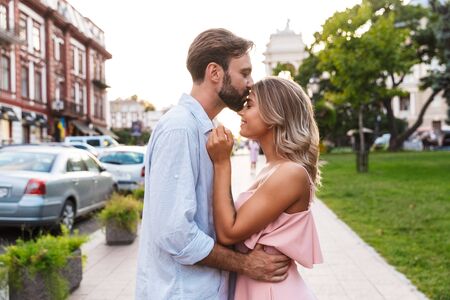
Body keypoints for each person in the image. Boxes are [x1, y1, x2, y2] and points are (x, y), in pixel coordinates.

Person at [135, 29, 291, 300]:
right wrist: (245, 264)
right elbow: (175, 234)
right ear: (215, 73)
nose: (251, 83)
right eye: (244, 73)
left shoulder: (211, 131)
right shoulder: (180, 129)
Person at [207, 77, 324, 300]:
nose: (241, 113)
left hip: (274, 292)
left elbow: (228, 233)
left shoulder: (290, 173)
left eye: (249, 105)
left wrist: (222, 163)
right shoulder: (272, 168)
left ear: (274, 115)